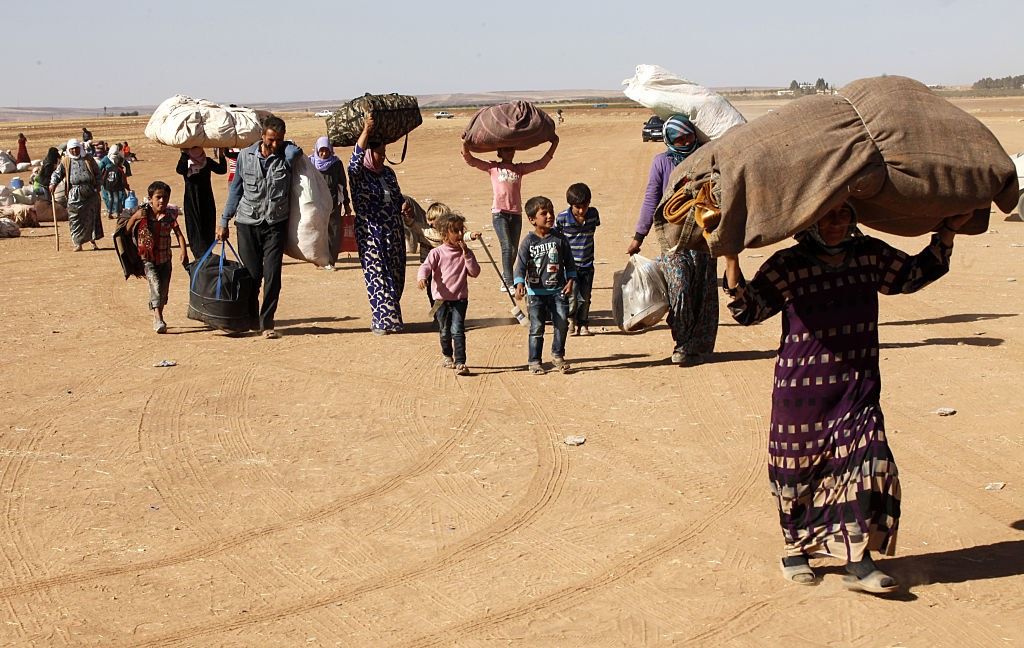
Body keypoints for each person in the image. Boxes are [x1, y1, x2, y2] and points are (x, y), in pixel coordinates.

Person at [722, 204, 971, 594]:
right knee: (797, 473)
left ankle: (859, 558)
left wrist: (947, 234)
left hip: (857, 386)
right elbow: (749, 309)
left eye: (843, 216)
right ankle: (795, 549)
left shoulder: (868, 254)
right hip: (802, 391)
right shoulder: (788, 263)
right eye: (827, 217)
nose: (837, 225)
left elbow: (910, 276)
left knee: (870, 463)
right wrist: (730, 256)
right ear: (809, 221)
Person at [627, 114, 718, 366]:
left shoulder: (706, 157)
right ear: (669, 140)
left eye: (689, 135)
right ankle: (682, 342)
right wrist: (638, 236)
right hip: (672, 238)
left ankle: (697, 345)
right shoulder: (662, 163)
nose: (685, 141)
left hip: (704, 235)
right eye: (679, 138)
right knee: (679, 288)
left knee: (704, 291)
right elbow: (651, 199)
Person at [217, 115, 302, 339]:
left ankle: (267, 323)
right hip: (247, 223)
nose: (275, 145)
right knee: (253, 276)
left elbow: (298, 156)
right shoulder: (245, 156)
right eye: (271, 140)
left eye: (279, 141)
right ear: (262, 136)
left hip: (275, 224)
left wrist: (290, 148)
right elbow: (236, 190)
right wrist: (224, 221)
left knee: (273, 275)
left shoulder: (287, 156)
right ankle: (251, 318)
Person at [462, 135, 558, 292]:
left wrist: (554, 143)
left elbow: (541, 164)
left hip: (516, 214)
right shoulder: (493, 168)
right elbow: (470, 160)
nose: (509, 152)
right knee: (507, 246)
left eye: (511, 149)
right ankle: (508, 280)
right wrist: (464, 144)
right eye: (506, 149)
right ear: (500, 151)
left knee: (513, 249)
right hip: (499, 213)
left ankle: (506, 277)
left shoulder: (519, 169)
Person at [349, 112, 406, 334]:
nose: (382, 157)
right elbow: (354, 161)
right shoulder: (359, 174)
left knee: (396, 275)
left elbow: (398, 196)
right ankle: (384, 322)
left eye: (384, 153)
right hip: (371, 234)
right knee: (379, 275)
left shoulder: (389, 174)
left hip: (394, 232)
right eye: (378, 154)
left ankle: (390, 317)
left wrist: (404, 206)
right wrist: (365, 131)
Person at [514, 196, 576, 375]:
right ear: (532, 219)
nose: (549, 216)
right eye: (544, 213)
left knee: (562, 324)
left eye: (551, 212)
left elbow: (570, 263)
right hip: (535, 293)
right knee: (537, 328)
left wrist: (570, 280)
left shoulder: (560, 239)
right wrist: (519, 283)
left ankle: (558, 355)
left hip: (558, 291)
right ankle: (534, 361)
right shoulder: (528, 242)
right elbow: (520, 265)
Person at [417, 211, 481, 375]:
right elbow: (425, 266)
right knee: (445, 331)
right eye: (455, 231)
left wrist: (467, 255)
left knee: (458, 330)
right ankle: (447, 355)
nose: (460, 234)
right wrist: (422, 277)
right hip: (440, 300)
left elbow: (474, 272)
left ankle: (460, 362)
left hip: (460, 299)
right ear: (445, 234)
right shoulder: (437, 253)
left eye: (461, 230)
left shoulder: (465, 253)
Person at [125, 181, 188, 334]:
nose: (162, 201)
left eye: (165, 198)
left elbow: (179, 234)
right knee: (156, 286)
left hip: (165, 259)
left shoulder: (169, 216)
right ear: (150, 198)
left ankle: (159, 313)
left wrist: (183, 251)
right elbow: (126, 231)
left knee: (164, 290)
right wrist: (134, 218)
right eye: (158, 197)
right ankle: (158, 318)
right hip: (148, 260)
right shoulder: (142, 215)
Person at [555, 182, 601, 336]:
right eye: (577, 207)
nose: (581, 210)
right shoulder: (562, 218)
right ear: (571, 205)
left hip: (588, 264)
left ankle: (584, 324)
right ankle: (571, 322)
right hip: (570, 267)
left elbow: (594, 228)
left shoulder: (593, 215)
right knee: (572, 296)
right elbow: (556, 237)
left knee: (585, 297)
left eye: (585, 206)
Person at [49, 139, 102, 251]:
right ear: (69, 150)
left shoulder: (88, 159)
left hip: (90, 192)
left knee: (91, 217)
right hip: (74, 193)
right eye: (72, 149)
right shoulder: (66, 161)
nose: (74, 150)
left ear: (80, 148)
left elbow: (97, 172)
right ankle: (78, 243)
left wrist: (98, 185)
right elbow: (57, 174)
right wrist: (53, 183)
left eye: (76, 148)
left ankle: (93, 242)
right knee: (75, 218)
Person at [309, 136, 352, 271]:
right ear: (317, 150)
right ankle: (319, 259)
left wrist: (346, 203)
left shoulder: (336, 164)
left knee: (334, 231)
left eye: (326, 150)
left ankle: (331, 260)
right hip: (317, 203)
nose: (323, 154)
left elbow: (342, 184)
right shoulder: (311, 162)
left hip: (333, 203)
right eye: (321, 151)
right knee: (318, 231)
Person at [176, 146, 227, 257]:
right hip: (192, 201)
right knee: (194, 229)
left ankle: (207, 255)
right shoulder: (186, 161)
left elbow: (222, 170)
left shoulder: (207, 161)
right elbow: (180, 170)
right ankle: (199, 256)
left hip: (206, 199)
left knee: (208, 227)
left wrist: (221, 155)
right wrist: (184, 154)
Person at [97, 150, 130, 219]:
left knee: (110, 199)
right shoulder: (120, 170)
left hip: (108, 186)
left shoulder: (109, 168)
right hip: (115, 187)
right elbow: (124, 181)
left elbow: (105, 177)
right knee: (117, 199)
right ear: (121, 163)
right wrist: (127, 188)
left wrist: (104, 185)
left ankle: (110, 213)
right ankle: (117, 213)